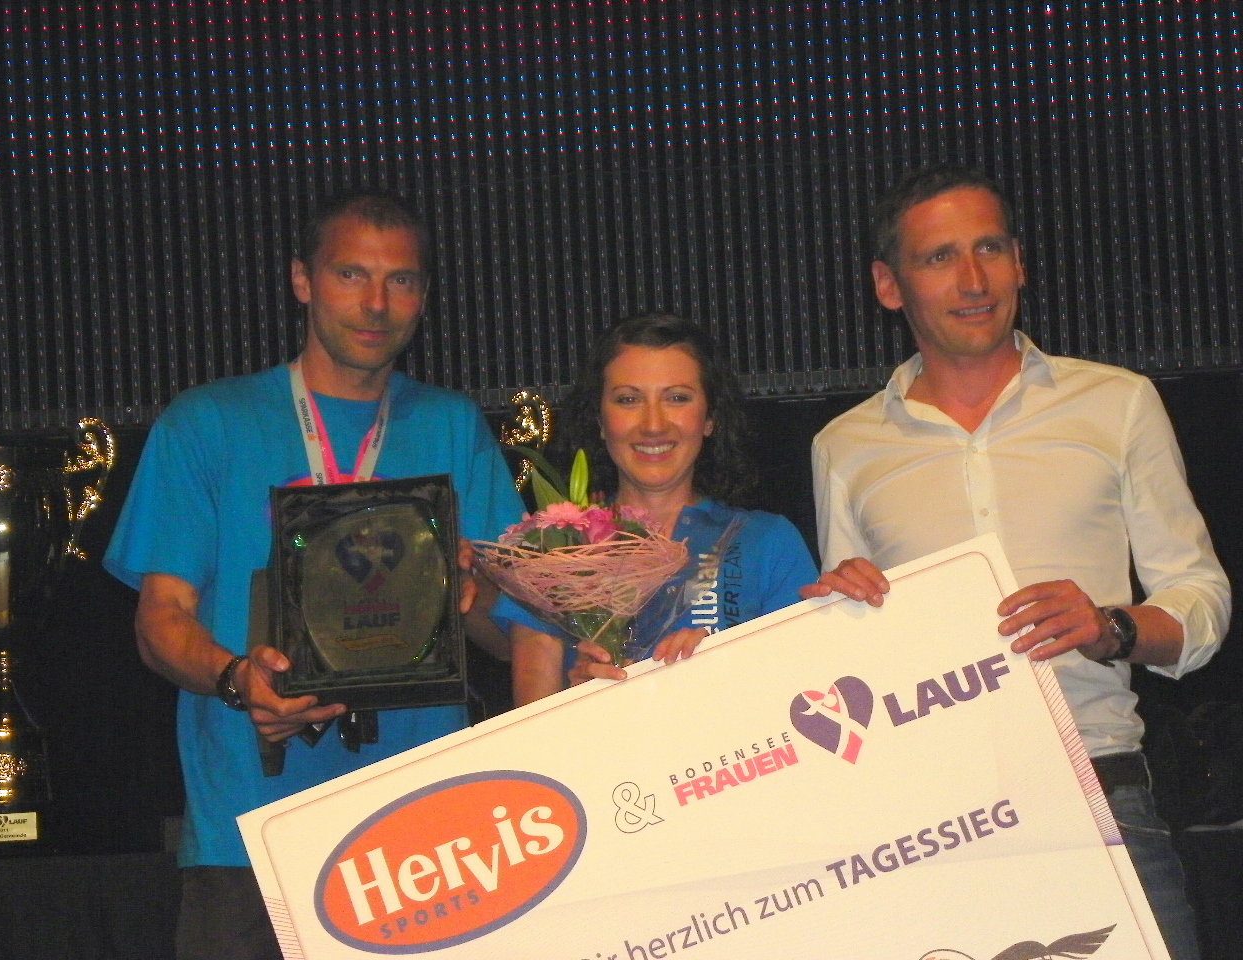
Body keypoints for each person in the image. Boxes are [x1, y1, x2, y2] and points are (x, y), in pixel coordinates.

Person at [803, 164, 1229, 960]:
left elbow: (1200, 598)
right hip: (940, 820)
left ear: (1020, 262)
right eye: (940, 258)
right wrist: (839, 612)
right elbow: (856, 668)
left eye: (990, 248)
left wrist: (1111, 627)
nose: (973, 280)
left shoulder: (1117, 402)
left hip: (1103, 788)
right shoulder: (845, 447)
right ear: (889, 286)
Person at [104, 190, 524, 960]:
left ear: (424, 296)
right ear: (302, 279)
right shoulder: (208, 423)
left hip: (424, 836)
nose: (376, 303)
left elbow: (509, 638)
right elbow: (159, 620)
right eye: (350, 274)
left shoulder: (451, 425)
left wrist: (470, 594)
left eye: (401, 280)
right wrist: (237, 679)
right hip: (252, 832)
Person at [493, 313, 818, 706]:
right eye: (628, 400)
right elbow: (532, 729)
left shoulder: (768, 544)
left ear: (710, 418)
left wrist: (729, 669)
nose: (652, 425)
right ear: (600, 420)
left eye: (677, 398)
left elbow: (808, 697)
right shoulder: (553, 551)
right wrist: (580, 702)